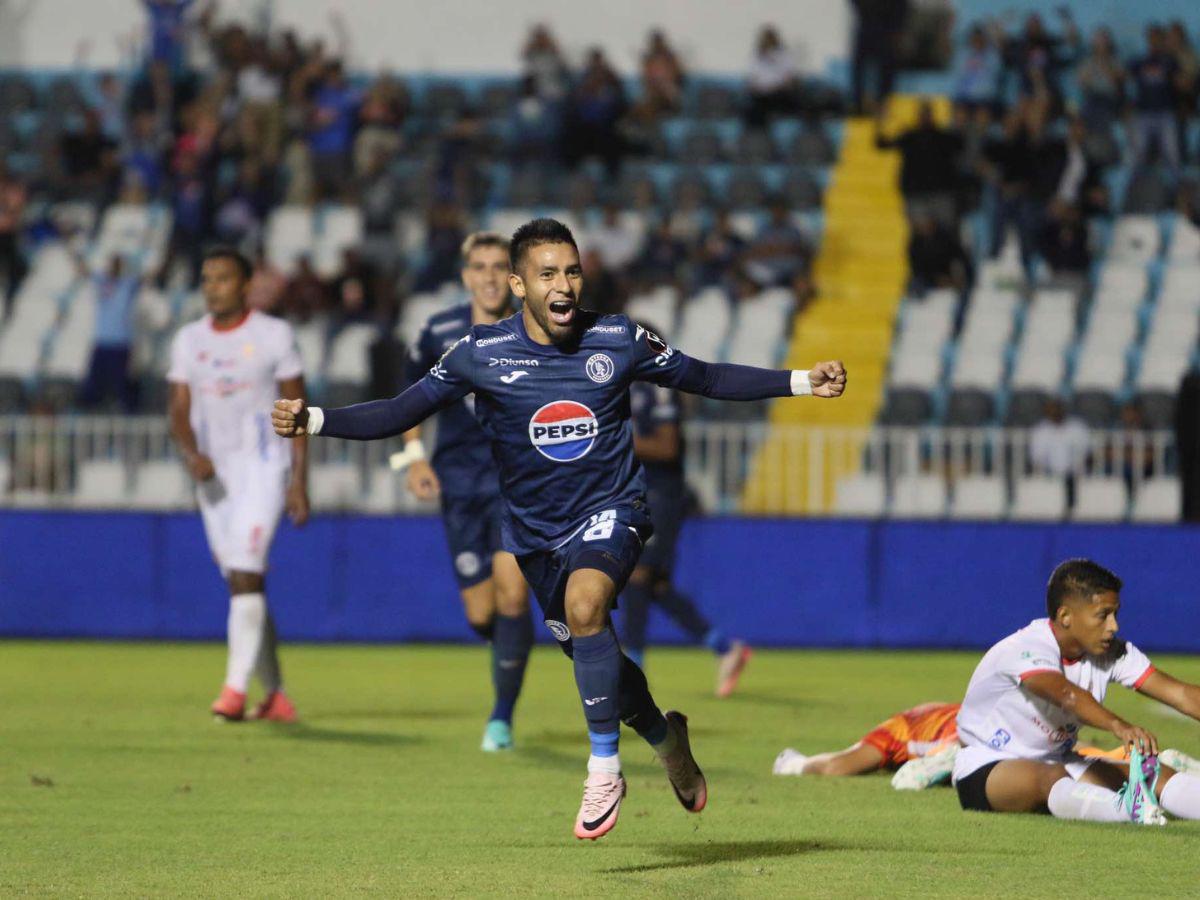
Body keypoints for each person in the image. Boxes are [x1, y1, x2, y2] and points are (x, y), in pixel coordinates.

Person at [271, 218, 847, 840]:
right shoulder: (478, 353)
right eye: (548, 274)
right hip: (534, 535)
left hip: (613, 509)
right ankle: (662, 734)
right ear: (519, 284)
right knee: (594, 651)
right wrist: (314, 418)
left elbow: (704, 378)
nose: (564, 284)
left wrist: (801, 382)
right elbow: (397, 411)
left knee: (586, 602)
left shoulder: (619, 338)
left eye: (572, 271)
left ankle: (603, 768)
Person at [394, 232, 535, 753]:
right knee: (482, 614)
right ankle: (510, 651)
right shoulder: (440, 331)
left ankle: (501, 717)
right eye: (480, 266)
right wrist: (413, 459)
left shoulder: (536, 329)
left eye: (501, 266)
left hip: (516, 482)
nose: (491, 276)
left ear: (514, 275)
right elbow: (408, 400)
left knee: (513, 592)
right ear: (465, 275)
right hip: (458, 484)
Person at [168, 247, 310, 723]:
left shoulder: (273, 335)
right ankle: (274, 695)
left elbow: (297, 411)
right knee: (241, 581)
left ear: (245, 285)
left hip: (264, 467)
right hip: (214, 477)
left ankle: (232, 692)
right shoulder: (188, 339)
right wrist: (192, 454)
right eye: (206, 279)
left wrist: (299, 482)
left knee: (247, 569)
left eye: (223, 279)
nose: (212, 287)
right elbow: (178, 409)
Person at [952, 559, 1200, 824]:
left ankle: (1131, 804)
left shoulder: (1111, 652)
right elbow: (1066, 695)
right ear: (1065, 616)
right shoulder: (1027, 646)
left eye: (1116, 614)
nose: (1113, 626)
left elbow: (1182, 695)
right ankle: (1132, 812)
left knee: (1155, 775)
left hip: (1058, 759)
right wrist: (1119, 726)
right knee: (1050, 777)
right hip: (986, 765)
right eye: (1103, 615)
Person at [620, 356, 751, 695]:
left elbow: (666, 445)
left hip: (659, 495)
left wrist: (614, 440)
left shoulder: (658, 389)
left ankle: (631, 673)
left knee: (636, 574)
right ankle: (725, 647)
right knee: (655, 585)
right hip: (631, 493)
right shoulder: (619, 385)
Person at [773, 698, 1200, 791]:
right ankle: (1141, 761)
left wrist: (799, 763)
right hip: (1000, 725)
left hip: (966, 741)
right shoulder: (943, 712)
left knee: (1048, 764)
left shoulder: (898, 730)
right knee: (1067, 757)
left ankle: (948, 763)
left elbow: (838, 764)